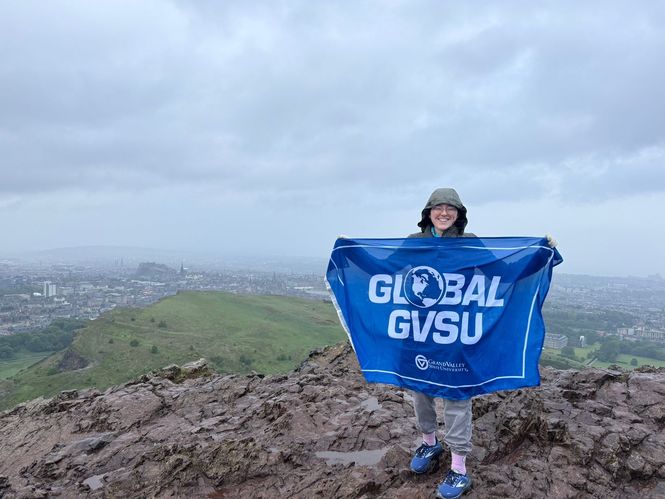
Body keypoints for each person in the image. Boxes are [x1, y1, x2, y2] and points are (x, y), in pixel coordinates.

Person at [406, 187, 555, 499]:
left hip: (457, 334)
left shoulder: (469, 242)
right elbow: (385, 268)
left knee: (457, 396)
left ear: (459, 213)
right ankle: (430, 444)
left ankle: (459, 468)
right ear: (428, 212)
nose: (444, 213)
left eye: (450, 208)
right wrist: (349, 252)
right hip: (421, 334)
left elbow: (503, 271)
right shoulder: (414, 243)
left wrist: (541, 253)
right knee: (420, 391)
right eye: (438, 208)